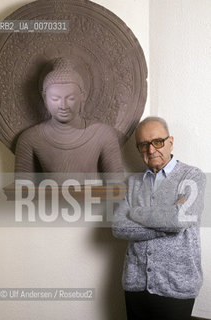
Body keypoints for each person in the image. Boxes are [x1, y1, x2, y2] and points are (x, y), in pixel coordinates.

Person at [112, 116, 206, 320]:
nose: (151, 150)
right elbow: (119, 226)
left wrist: (135, 212)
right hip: (135, 284)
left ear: (170, 142)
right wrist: (167, 221)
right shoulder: (132, 182)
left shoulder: (192, 177)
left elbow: (180, 220)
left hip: (177, 286)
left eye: (157, 142)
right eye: (143, 145)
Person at [15, 57, 123, 184]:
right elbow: (22, 191)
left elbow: (117, 186)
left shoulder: (103, 134)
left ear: (82, 96)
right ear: (44, 98)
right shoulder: (30, 138)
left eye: (71, 98)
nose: (63, 105)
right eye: (55, 99)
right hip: (49, 203)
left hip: (96, 202)